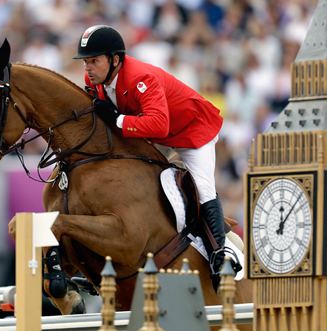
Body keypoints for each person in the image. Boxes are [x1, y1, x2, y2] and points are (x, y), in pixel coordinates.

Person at [73, 25, 231, 276]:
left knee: (203, 188)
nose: (88, 68)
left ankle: (220, 256)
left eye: (94, 61)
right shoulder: (94, 79)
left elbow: (159, 124)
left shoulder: (140, 78)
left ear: (115, 60)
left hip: (191, 132)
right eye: (85, 62)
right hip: (152, 135)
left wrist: (117, 119)